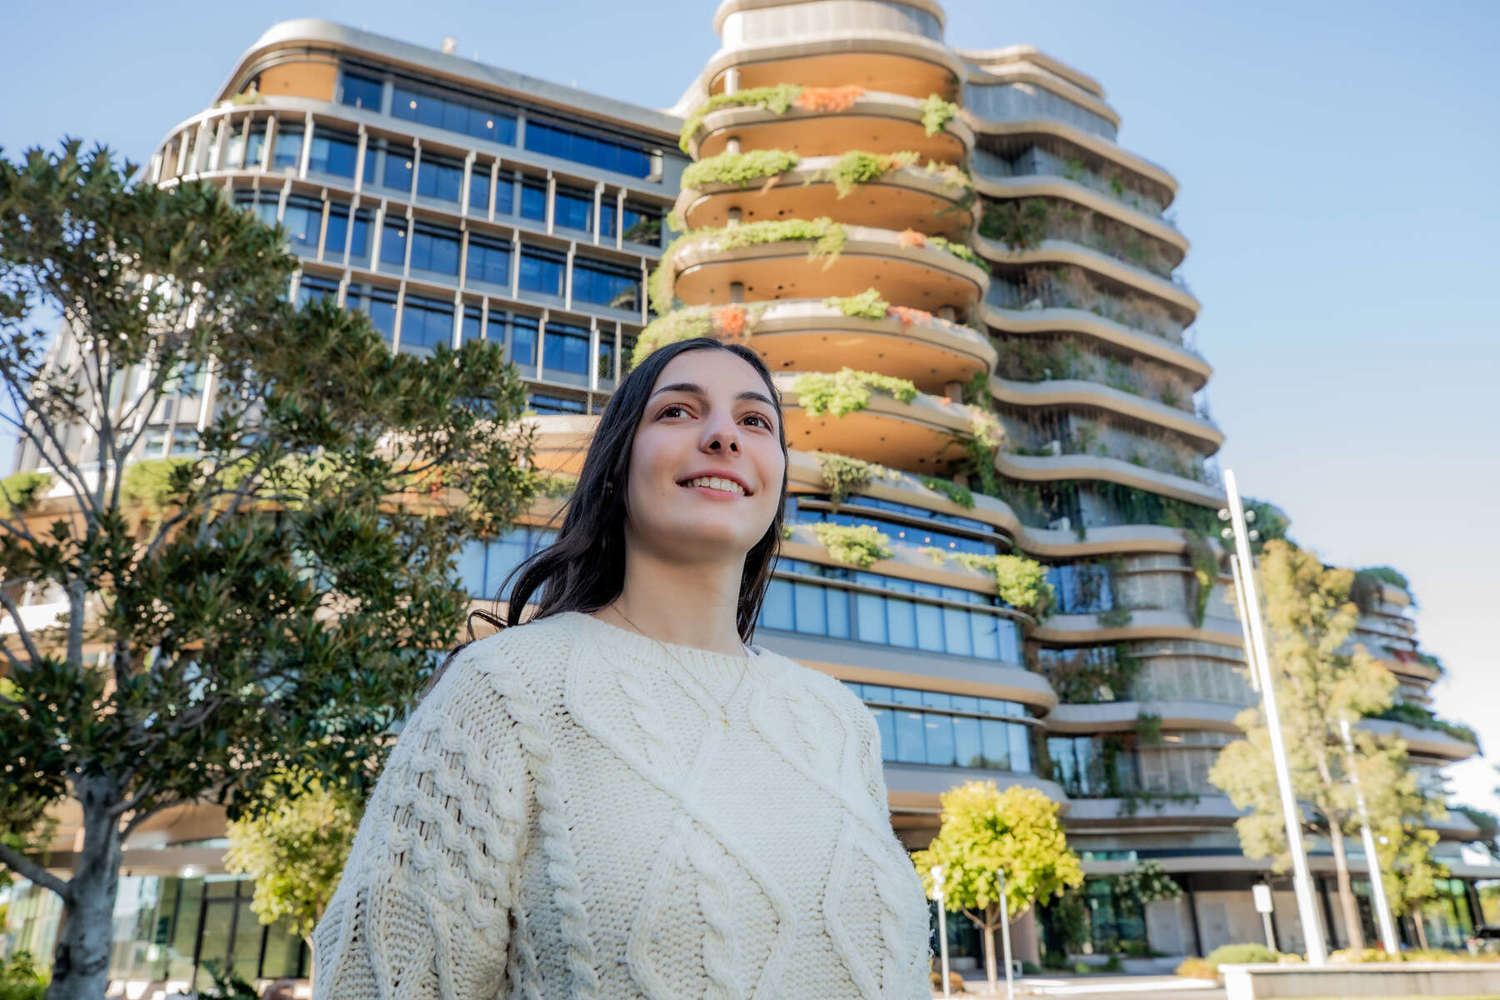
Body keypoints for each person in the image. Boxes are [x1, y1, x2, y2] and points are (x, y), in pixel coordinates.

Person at [310, 337, 934, 999]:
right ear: (616, 466)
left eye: (755, 422)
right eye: (678, 412)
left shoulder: (839, 720)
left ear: (776, 476)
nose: (724, 435)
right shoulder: (505, 691)